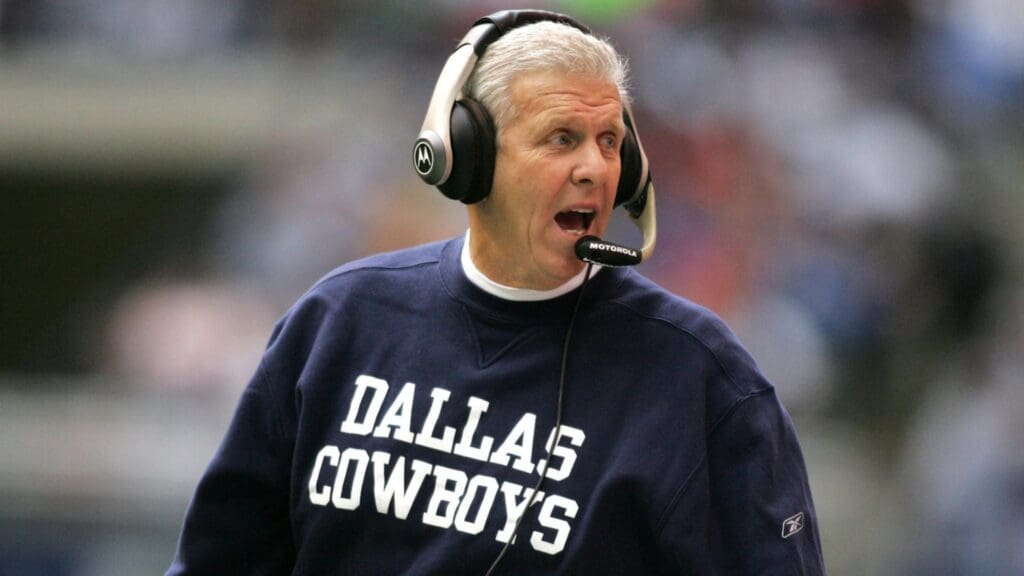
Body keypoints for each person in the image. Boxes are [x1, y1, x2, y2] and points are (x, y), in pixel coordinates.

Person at [167, 10, 826, 575]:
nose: (594, 168)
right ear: (467, 154)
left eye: (609, 143)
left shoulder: (704, 378)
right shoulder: (339, 320)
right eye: (561, 139)